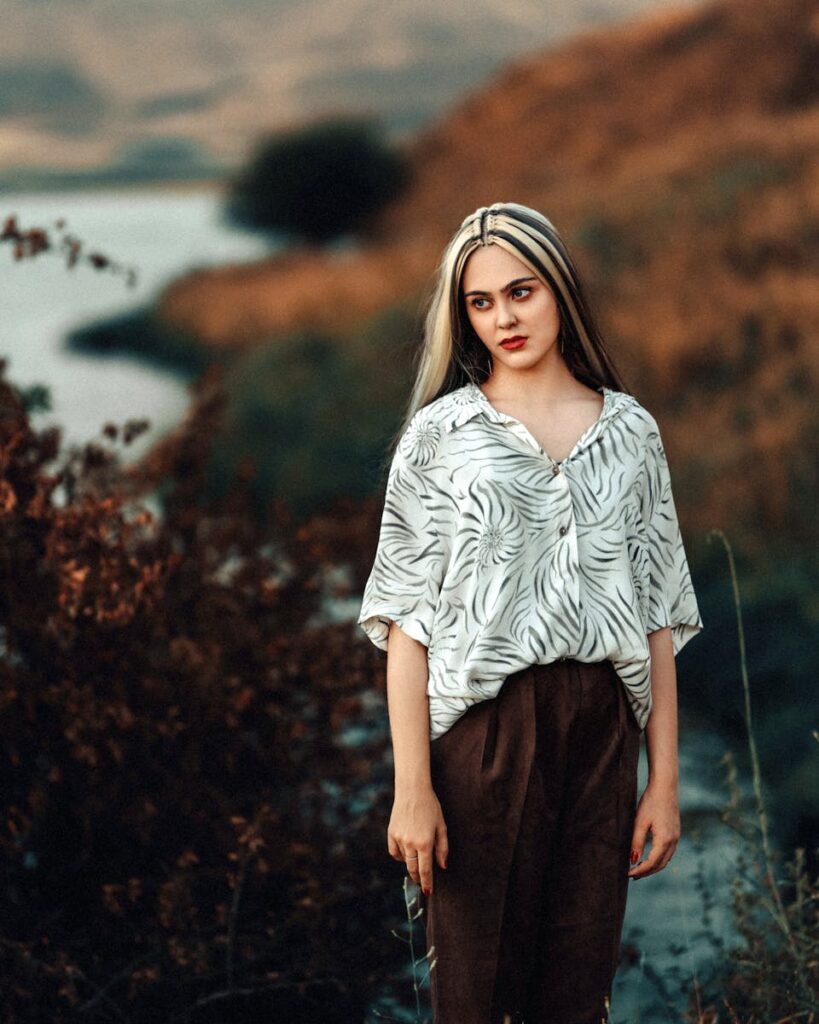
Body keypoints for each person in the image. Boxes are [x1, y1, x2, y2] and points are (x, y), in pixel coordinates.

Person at [357, 202, 704, 1024]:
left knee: (577, 995)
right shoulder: (440, 438)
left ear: (560, 292)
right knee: (476, 996)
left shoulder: (631, 433)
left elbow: (655, 617)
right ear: (462, 316)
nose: (504, 318)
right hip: (484, 736)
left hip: (601, 733)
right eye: (480, 302)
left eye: (521, 291)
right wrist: (412, 788)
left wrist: (664, 784)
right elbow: (406, 629)